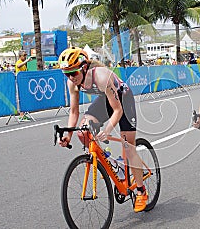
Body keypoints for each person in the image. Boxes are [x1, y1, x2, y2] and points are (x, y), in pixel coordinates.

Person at [57, 47, 148, 212]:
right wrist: (68, 135)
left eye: (74, 73)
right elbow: (74, 112)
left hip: (124, 100)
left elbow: (118, 110)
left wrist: (107, 129)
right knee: (83, 131)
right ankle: (110, 162)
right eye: (66, 74)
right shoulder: (72, 83)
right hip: (105, 100)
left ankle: (141, 190)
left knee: (129, 147)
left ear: (84, 67)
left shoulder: (101, 76)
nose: (71, 77)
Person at [15, 50, 33, 121]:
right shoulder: (19, 62)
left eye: (26, 55)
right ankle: (21, 115)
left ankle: (24, 114)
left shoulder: (24, 64)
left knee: (24, 98)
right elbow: (18, 66)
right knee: (21, 98)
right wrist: (26, 61)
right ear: (20, 56)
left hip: (24, 83)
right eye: (24, 55)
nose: (25, 57)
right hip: (19, 83)